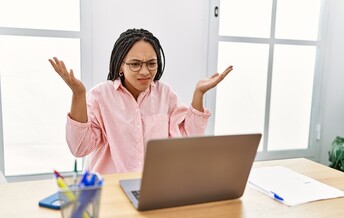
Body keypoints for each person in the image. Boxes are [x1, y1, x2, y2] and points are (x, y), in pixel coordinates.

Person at [49, 28, 233, 174]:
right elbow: (79, 148)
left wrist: (199, 93)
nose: (145, 72)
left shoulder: (165, 94)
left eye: (151, 63)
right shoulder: (100, 96)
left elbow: (187, 136)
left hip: (151, 188)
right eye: (135, 64)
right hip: (109, 191)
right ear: (121, 65)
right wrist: (78, 95)